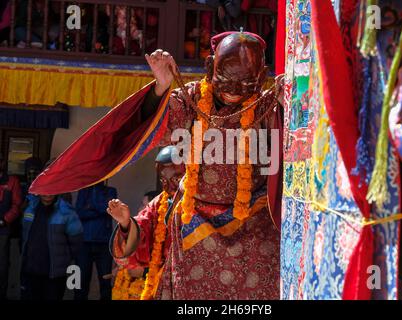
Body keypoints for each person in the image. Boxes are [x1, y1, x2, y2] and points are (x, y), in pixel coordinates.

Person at [29, 31, 284, 299]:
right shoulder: (192, 100)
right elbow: (145, 130)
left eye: (244, 84)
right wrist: (161, 87)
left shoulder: (267, 105)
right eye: (226, 80)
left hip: (253, 228)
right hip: (196, 225)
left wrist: (286, 104)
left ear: (261, 75)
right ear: (210, 67)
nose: (233, 93)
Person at [109, 146, 185, 299]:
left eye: (176, 179)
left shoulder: (200, 202)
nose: (169, 186)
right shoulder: (159, 203)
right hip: (160, 284)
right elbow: (142, 225)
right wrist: (125, 223)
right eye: (163, 180)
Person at [20, 192, 83, 300]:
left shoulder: (66, 212)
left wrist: (65, 258)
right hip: (30, 271)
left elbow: (76, 242)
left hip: (54, 275)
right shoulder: (30, 207)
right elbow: (24, 236)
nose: (47, 193)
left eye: (51, 189)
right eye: (45, 189)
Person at [74, 181, 117, 300]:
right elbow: (79, 213)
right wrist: (100, 210)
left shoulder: (111, 191)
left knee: (105, 283)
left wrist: (91, 206)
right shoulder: (83, 190)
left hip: (103, 243)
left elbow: (109, 210)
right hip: (84, 243)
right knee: (80, 283)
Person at [0, 153, 22, 300]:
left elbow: (17, 205)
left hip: (3, 229)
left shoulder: (12, 181)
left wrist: (5, 219)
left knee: (1, 266)